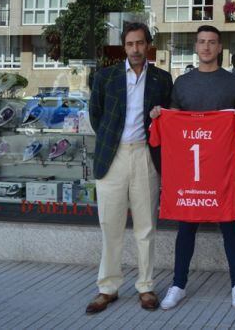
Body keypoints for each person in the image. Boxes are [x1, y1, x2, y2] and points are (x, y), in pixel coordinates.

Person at [151, 25, 235, 311]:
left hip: (220, 170)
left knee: (229, 225)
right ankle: (178, 284)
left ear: (220, 47)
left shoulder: (233, 83)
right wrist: (160, 115)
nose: (206, 47)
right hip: (191, 172)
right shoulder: (182, 82)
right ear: (196, 47)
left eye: (212, 43)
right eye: (202, 42)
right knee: (186, 226)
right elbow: (173, 118)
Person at [85, 22, 173, 314]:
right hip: (113, 157)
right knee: (110, 225)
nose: (135, 49)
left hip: (146, 156)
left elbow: (169, 118)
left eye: (140, 43)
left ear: (148, 45)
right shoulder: (106, 77)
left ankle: (146, 286)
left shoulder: (162, 79)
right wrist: (112, 140)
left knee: (146, 226)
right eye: (130, 44)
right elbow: (96, 114)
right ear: (124, 47)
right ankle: (107, 287)